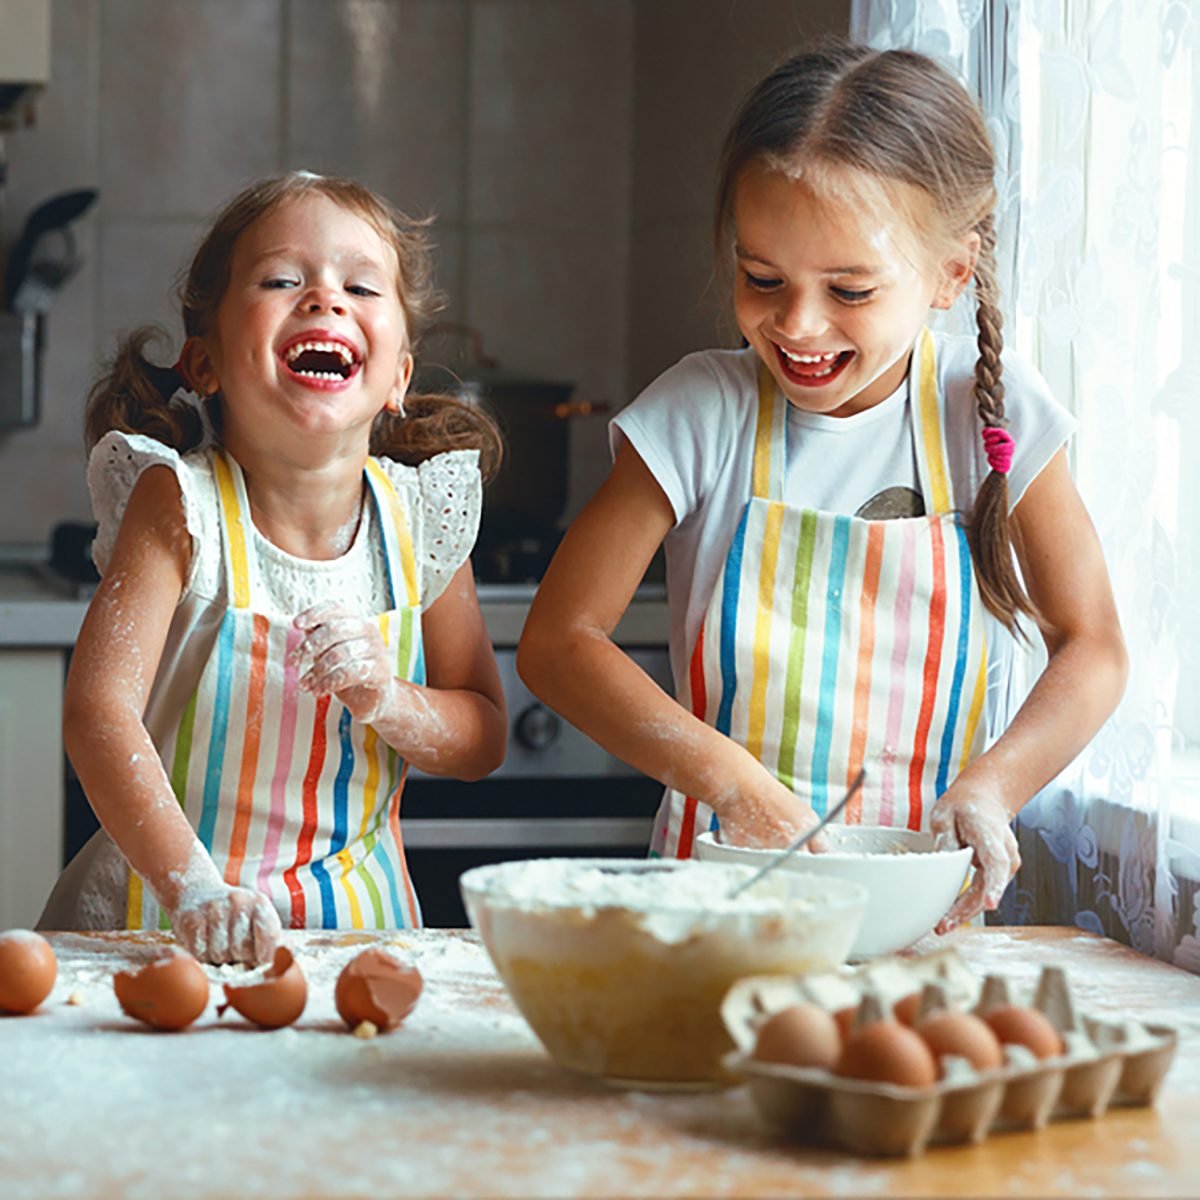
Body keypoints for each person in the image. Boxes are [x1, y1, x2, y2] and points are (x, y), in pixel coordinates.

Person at [517, 46, 1127, 932]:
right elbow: (558, 642)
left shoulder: (986, 414)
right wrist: (738, 789)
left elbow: (1095, 646)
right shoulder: (701, 411)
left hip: (921, 911)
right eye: (762, 278)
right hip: (720, 900)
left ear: (953, 273)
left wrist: (993, 788)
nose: (797, 325)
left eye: (849, 289)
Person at [39, 172, 507, 964]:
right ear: (205, 362)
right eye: (282, 280)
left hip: (359, 937)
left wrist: (388, 699)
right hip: (160, 923)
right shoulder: (178, 504)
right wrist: (192, 888)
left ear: (398, 375)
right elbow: (98, 716)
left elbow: (482, 734)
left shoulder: (418, 522)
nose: (325, 298)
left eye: (360, 285)